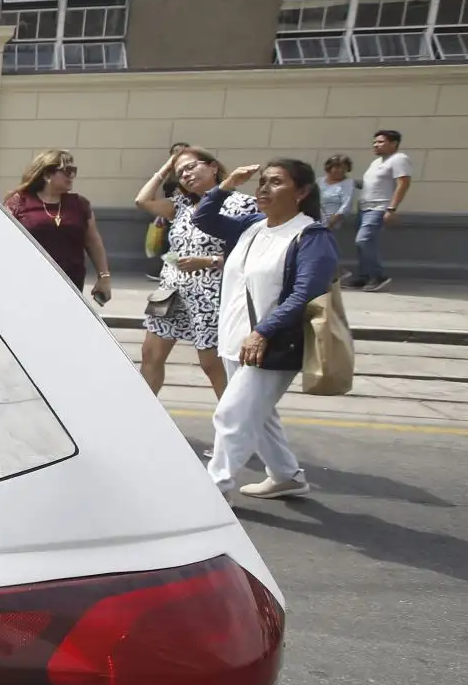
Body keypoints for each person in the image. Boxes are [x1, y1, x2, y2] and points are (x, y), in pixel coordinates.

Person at [191, 160, 338, 500]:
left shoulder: (311, 236)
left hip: (273, 342)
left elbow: (306, 293)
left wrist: (264, 331)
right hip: (235, 337)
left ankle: (215, 492)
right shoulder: (253, 226)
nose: (263, 188)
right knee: (259, 413)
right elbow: (204, 218)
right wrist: (226, 185)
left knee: (232, 414)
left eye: (276, 182)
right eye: (261, 182)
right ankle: (287, 476)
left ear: (301, 192)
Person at [132, 147, 255, 399]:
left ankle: (233, 418)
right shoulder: (180, 205)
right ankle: (141, 413)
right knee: (150, 354)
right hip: (170, 291)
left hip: (210, 295)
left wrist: (209, 260)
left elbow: (253, 253)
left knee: (212, 364)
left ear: (213, 167)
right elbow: (142, 201)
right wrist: (168, 167)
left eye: (191, 167)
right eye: (180, 173)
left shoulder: (242, 204)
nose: (185, 175)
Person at [4, 150, 111, 303]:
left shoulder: (80, 205)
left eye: (74, 171)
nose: (72, 176)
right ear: (47, 174)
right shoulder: (19, 202)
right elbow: (3, 241)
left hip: (70, 286)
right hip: (28, 285)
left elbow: (93, 242)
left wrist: (104, 277)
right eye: (67, 171)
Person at [348, 129, 413, 292]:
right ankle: (364, 276)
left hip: (378, 208)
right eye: (375, 142)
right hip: (364, 208)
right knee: (363, 243)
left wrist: (391, 208)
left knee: (363, 240)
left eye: (381, 142)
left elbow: (403, 183)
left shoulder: (399, 159)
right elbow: (371, 185)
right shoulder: (376, 162)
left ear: (394, 144)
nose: (376, 145)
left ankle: (378, 276)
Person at [144, 141, 191, 281]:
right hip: (169, 213)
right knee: (166, 243)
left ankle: (177, 271)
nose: (178, 154)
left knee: (176, 242)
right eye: (175, 151)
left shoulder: (187, 174)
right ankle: (170, 270)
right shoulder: (170, 174)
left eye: (182, 151)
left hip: (184, 213)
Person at [317, 153, 356, 270]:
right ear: (329, 168)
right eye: (337, 167)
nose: (340, 171)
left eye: (344, 168)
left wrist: (334, 219)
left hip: (333, 219)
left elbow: (347, 203)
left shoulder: (348, 183)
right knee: (318, 247)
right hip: (316, 217)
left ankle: (337, 272)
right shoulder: (319, 181)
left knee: (327, 247)